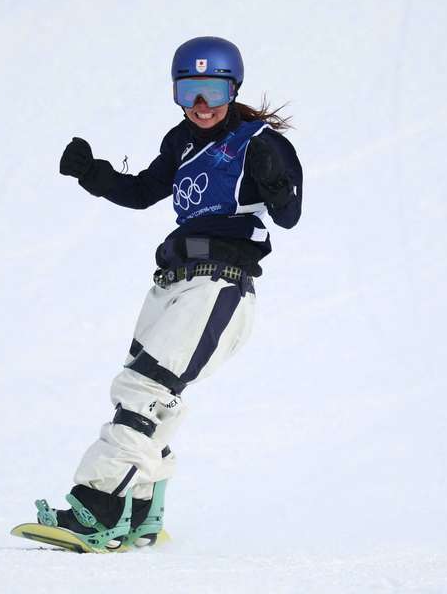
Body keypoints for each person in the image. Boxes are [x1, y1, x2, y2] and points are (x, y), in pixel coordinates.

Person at [35, 36, 303, 550]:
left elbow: (289, 217)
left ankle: (95, 509)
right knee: (152, 396)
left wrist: (276, 185)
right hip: (171, 284)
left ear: (233, 88)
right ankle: (140, 511)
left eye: (212, 90)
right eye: (189, 92)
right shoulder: (180, 141)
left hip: (219, 283)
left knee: (143, 392)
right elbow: (140, 193)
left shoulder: (259, 142)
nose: (201, 106)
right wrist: (92, 174)